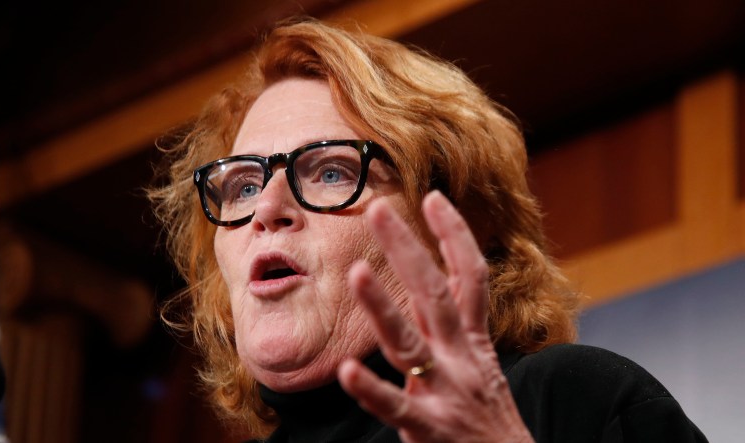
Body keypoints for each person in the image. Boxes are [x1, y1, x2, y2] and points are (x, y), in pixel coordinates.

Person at [151, 18, 707, 442]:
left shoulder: (570, 402)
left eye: (331, 171)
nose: (267, 208)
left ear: (458, 228)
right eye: (244, 185)